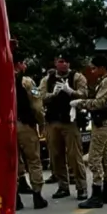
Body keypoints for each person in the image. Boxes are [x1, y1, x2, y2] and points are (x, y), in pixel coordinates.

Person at [39, 55, 89, 200]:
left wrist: (70, 91)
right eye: (61, 61)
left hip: (70, 121)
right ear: (55, 63)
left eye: (66, 61)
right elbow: (41, 96)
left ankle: (81, 187)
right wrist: (53, 95)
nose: (64, 64)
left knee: (75, 156)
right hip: (53, 121)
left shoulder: (77, 77)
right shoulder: (47, 79)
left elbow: (84, 94)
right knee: (55, 156)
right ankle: (63, 186)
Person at [73, 55, 107, 209]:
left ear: (102, 68)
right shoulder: (104, 80)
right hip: (102, 121)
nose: (92, 71)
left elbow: (100, 102)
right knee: (104, 157)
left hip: (102, 123)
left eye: (94, 68)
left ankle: (97, 193)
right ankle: (106, 193)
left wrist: (81, 103)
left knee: (94, 159)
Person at [14, 54, 49, 209]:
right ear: (19, 64)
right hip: (25, 125)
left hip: (7, 126)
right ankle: (37, 196)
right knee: (34, 160)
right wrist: (41, 123)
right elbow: (37, 106)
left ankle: (15, 198)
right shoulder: (27, 82)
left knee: (13, 162)